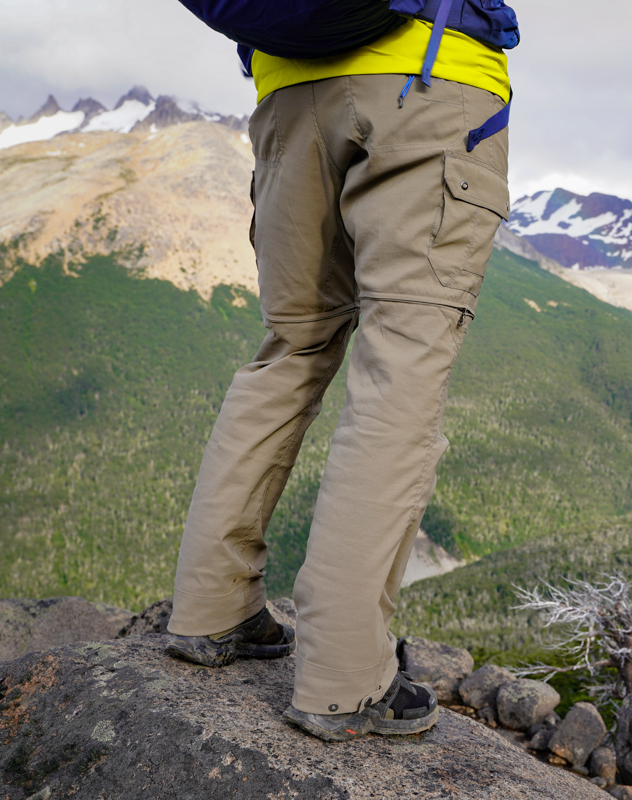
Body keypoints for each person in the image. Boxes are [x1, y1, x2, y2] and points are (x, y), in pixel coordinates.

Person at [164, 2, 514, 743]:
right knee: (400, 373)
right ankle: (345, 678)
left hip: (288, 89)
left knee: (288, 348)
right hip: (430, 75)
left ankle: (209, 608)